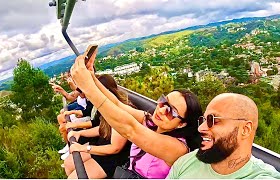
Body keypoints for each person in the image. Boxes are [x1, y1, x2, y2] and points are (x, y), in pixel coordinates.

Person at [70, 55, 203, 178]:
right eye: (164, 101)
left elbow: (130, 130)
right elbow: (117, 103)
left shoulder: (177, 148)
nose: (162, 110)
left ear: (182, 123)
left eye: (171, 111)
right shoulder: (151, 122)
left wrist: (87, 87)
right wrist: (92, 78)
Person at [166, 93, 280, 179]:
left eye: (213, 120)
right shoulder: (187, 163)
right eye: (204, 120)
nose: (201, 128)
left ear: (245, 129)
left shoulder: (261, 176)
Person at [63, 74, 132, 179]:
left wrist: (85, 148)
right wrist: (79, 132)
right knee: (69, 163)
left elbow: (115, 148)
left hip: (112, 158)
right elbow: (102, 128)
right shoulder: (106, 107)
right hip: (102, 146)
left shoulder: (121, 112)